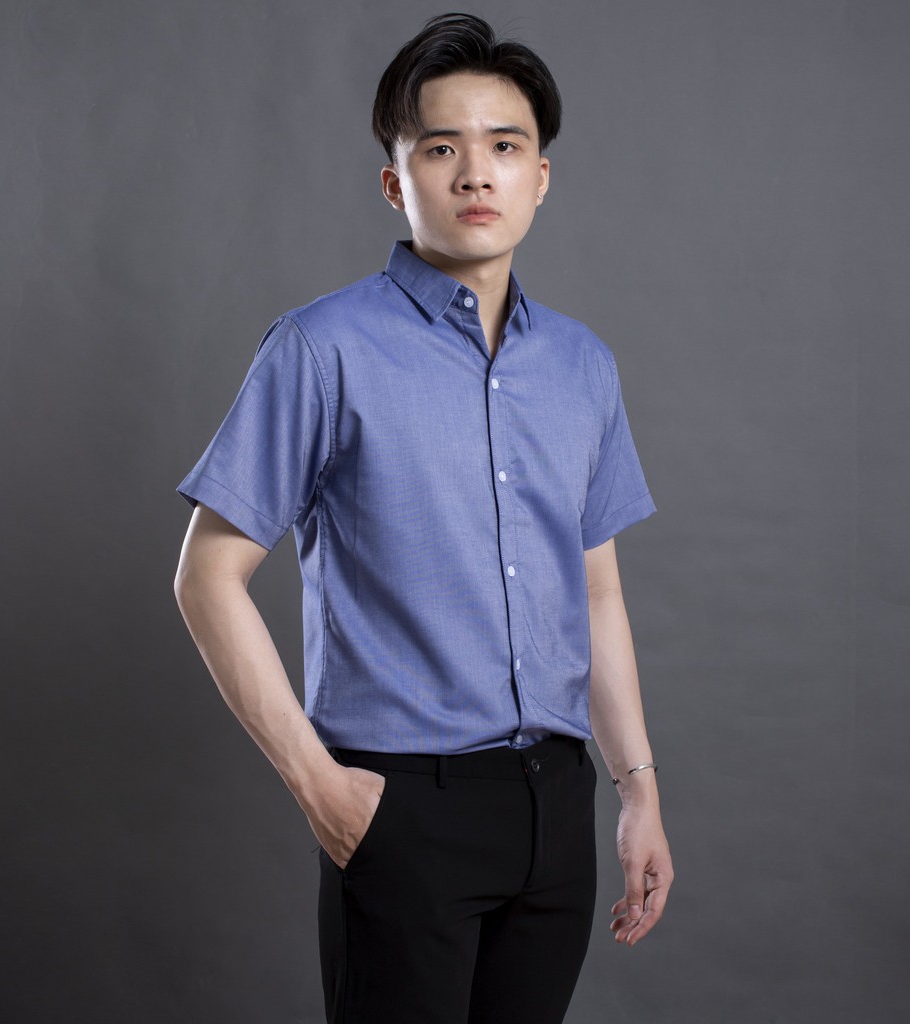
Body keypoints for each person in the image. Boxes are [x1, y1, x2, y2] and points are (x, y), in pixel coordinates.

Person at [174, 12, 672, 1024]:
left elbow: (596, 593)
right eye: (441, 148)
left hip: (554, 806)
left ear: (541, 177)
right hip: (400, 808)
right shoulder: (322, 348)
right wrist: (319, 786)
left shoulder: (582, 365)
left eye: (505, 147)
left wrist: (637, 790)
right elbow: (205, 578)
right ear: (395, 182)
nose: (476, 174)